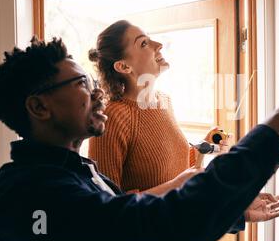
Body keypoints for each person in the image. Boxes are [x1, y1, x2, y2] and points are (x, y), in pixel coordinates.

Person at [0, 37, 279, 241]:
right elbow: (154, 226)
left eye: (93, 84)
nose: (97, 94)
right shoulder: (28, 192)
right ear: (38, 107)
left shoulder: (74, 168)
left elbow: (123, 216)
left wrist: (236, 211)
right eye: (82, 85)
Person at [88, 20, 232, 195]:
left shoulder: (164, 100)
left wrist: (204, 146)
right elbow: (108, 204)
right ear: (124, 66)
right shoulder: (112, 117)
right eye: (144, 43)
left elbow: (172, 171)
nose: (159, 45)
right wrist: (176, 185)